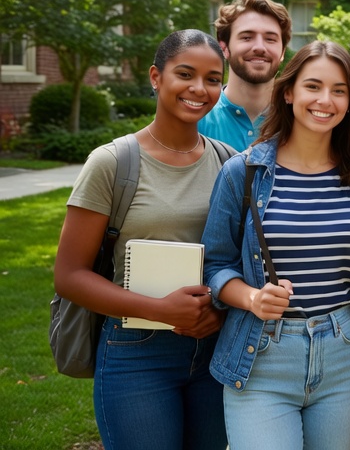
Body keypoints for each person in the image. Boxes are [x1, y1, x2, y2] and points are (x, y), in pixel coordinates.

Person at [202, 41, 350, 449]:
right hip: (262, 356)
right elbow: (214, 266)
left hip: (344, 356)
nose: (326, 100)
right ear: (288, 92)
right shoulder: (243, 173)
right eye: (313, 86)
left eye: (339, 90)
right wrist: (251, 297)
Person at [54, 29, 232, 450]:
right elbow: (69, 275)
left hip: (213, 352)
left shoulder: (228, 162)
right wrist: (161, 309)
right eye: (185, 74)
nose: (198, 89)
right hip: (136, 353)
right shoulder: (112, 162)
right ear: (156, 77)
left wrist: (220, 313)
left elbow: (238, 259)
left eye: (211, 79)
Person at [199, 0, 292, 151]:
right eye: (247, 37)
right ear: (224, 48)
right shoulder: (197, 120)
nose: (259, 48)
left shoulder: (298, 121)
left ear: (282, 51)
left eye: (270, 39)